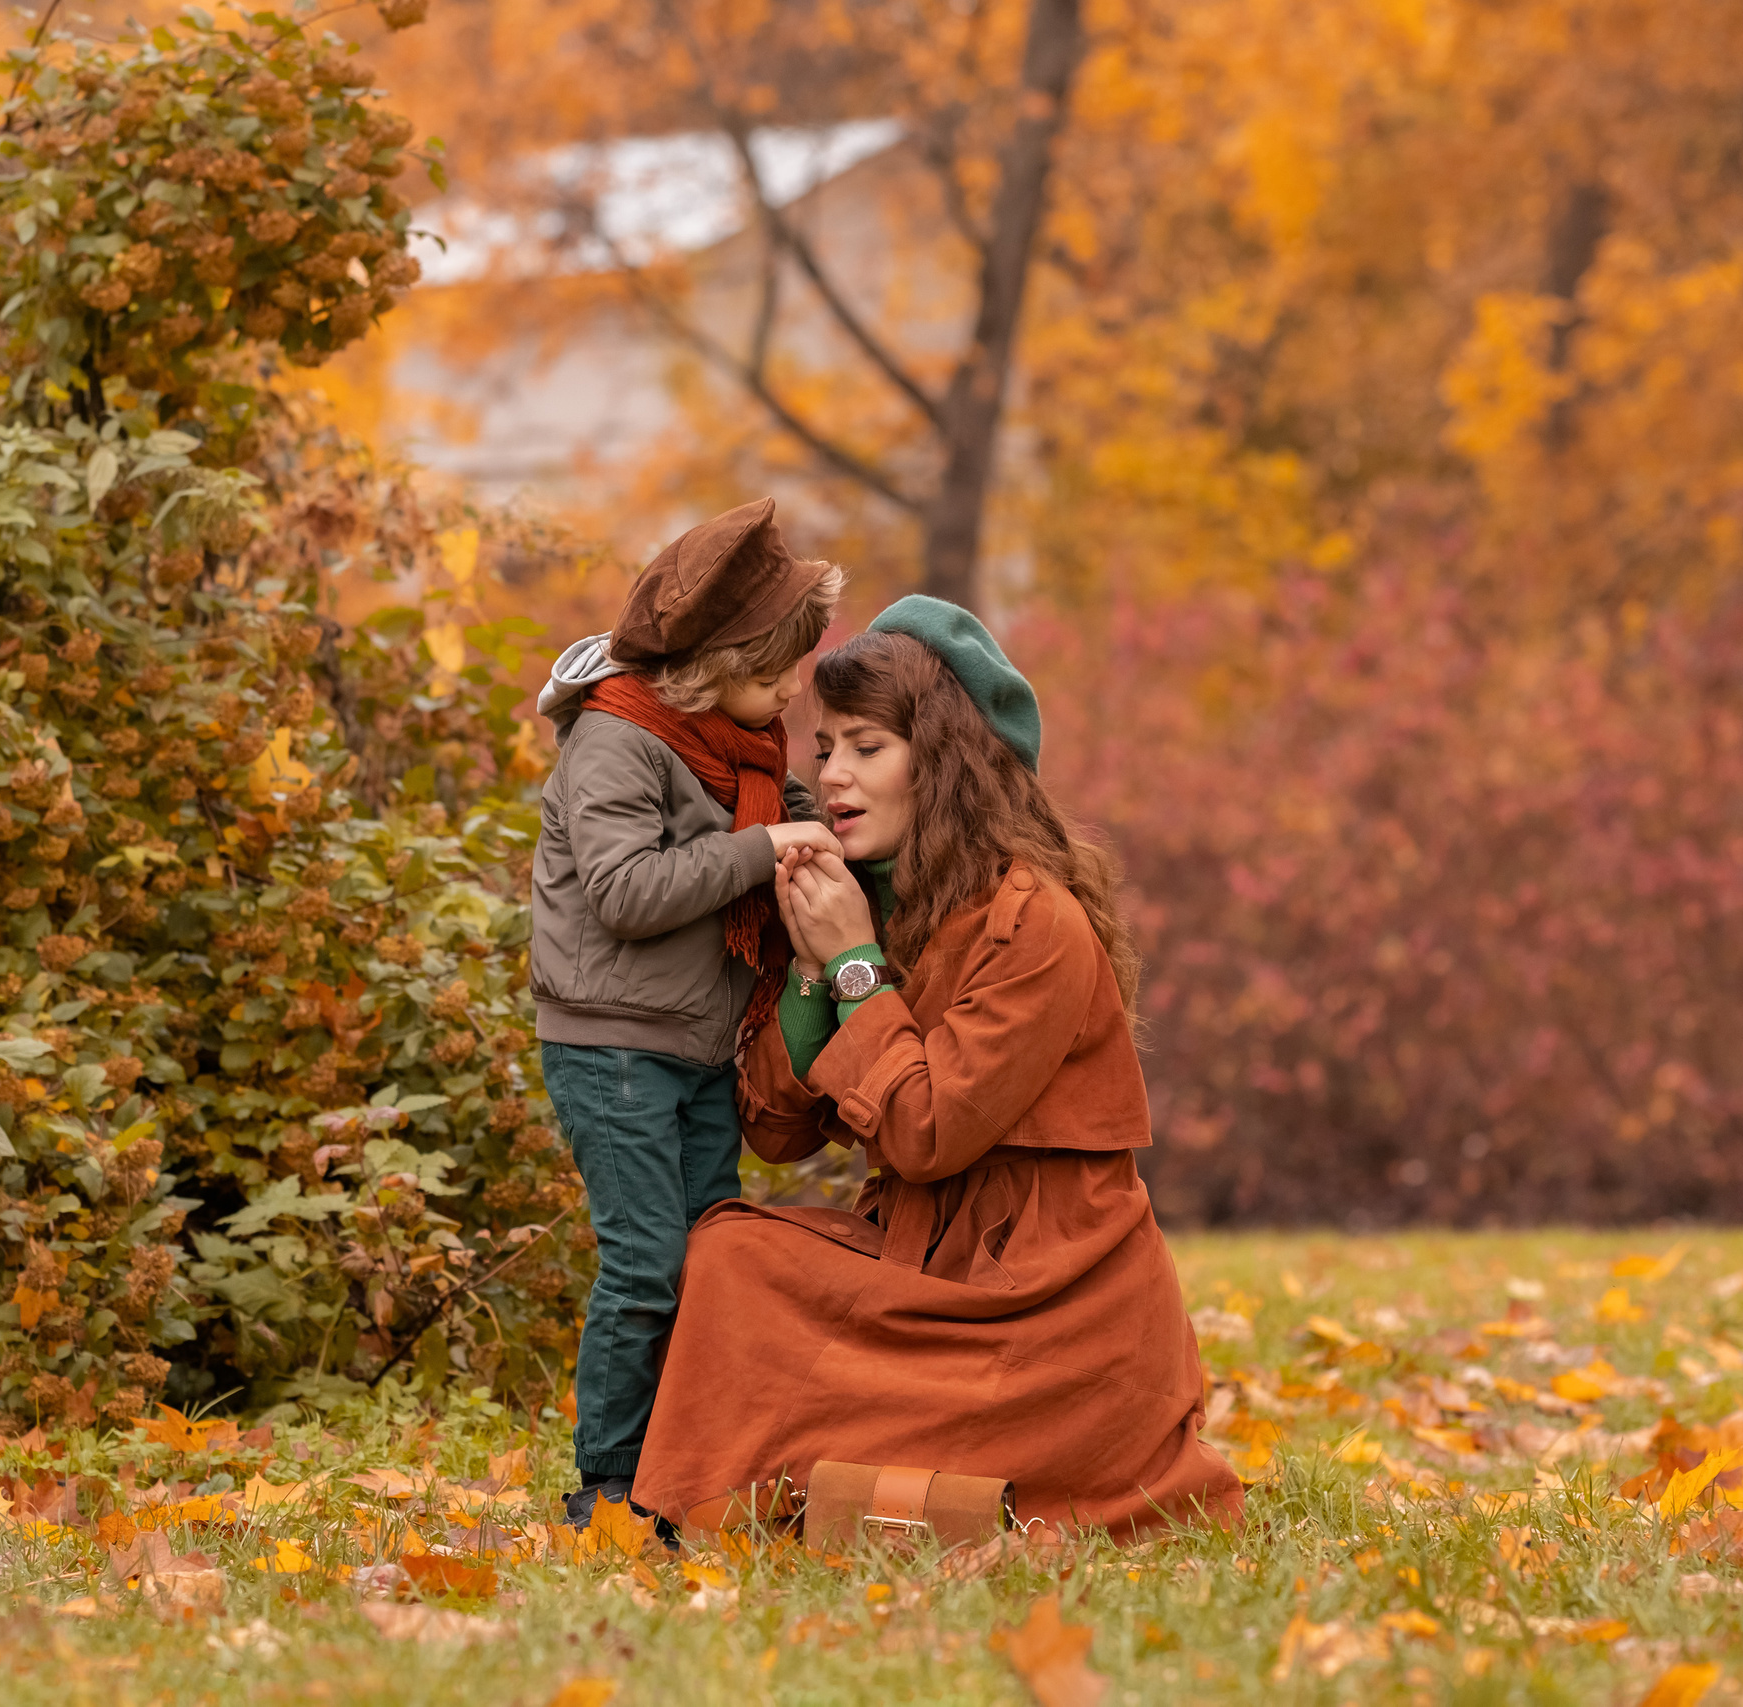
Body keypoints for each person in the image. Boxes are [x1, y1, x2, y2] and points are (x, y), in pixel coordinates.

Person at [629, 596, 1244, 1540]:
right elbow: (778, 1130)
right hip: (920, 1278)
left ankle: (825, 1485)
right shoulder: (880, 899)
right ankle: (784, 1489)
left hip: (1048, 1319)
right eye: (824, 746)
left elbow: (926, 1132)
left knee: (882, 1400)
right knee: (732, 1253)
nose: (831, 775)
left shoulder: (1037, 920)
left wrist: (854, 966)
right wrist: (809, 964)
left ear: (946, 760)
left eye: (867, 746)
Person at [530, 498, 847, 1527]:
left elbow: (785, 822)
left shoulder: (739, 744)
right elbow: (624, 895)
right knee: (649, 1265)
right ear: (701, 671)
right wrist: (762, 853)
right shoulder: (617, 743)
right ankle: (609, 1486)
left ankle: (689, 1466)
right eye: (769, 675)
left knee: (713, 1258)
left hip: (700, 1046)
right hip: (612, 1046)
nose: (789, 692)